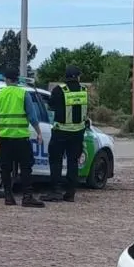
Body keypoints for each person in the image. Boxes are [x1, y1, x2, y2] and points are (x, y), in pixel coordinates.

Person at [0, 67, 45, 207]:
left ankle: (8, 196)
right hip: (21, 138)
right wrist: (39, 132)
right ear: (17, 79)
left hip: (4, 138)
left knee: (5, 168)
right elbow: (32, 117)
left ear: (6, 79)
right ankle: (27, 197)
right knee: (26, 167)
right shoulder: (23, 94)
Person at [43, 64, 89, 202]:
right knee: (73, 163)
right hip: (78, 133)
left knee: (56, 161)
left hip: (61, 132)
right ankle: (70, 193)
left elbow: (51, 105)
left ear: (66, 77)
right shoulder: (83, 90)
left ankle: (56, 191)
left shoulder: (59, 90)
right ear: (78, 77)